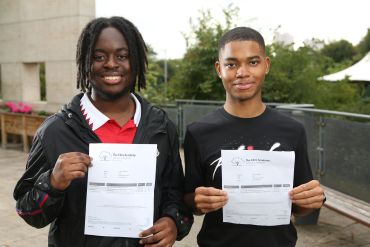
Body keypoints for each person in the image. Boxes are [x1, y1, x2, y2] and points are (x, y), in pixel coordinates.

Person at [14, 16, 192, 247]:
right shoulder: (55, 131)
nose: (110, 63)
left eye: (122, 56)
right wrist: (52, 183)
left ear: (136, 61)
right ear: (85, 63)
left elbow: (176, 196)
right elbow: (28, 212)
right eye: (99, 56)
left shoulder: (160, 128)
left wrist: (172, 222)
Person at [183, 27, 325, 247]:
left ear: (266, 65)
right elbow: (188, 199)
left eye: (252, 62)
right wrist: (197, 201)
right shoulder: (198, 132)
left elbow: (299, 206)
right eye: (231, 64)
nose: (242, 72)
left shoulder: (292, 130)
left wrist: (311, 200)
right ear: (219, 69)